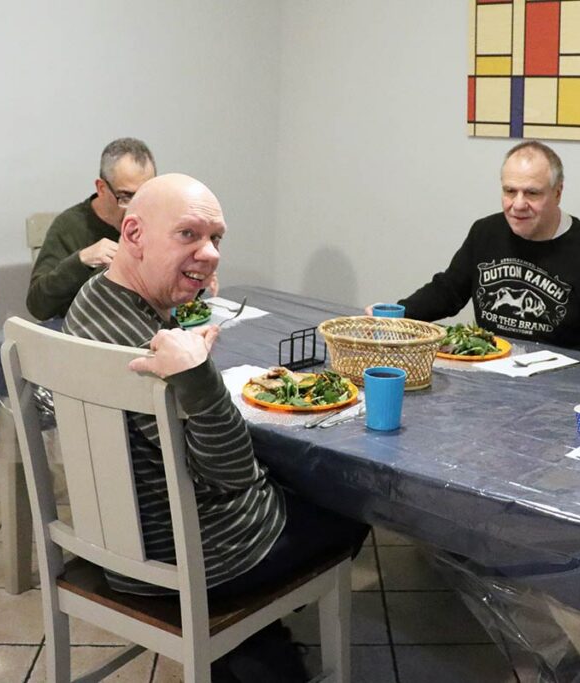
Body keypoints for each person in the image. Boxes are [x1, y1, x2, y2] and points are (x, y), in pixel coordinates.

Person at [63, 173, 367, 681]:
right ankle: (251, 631)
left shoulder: (93, 300)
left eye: (216, 239)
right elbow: (230, 474)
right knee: (351, 500)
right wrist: (198, 373)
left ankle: (251, 637)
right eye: (189, 235)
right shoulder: (145, 352)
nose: (211, 253)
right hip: (194, 559)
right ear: (133, 234)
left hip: (115, 545)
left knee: (287, 476)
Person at [394, 141, 580, 357]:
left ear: (557, 193)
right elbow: (448, 292)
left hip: (560, 385)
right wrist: (395, 315)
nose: (518, 204)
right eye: (510, 191)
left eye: (532, 193)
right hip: (489, 370)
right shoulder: (485, 233)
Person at [26, 137, 156, 321]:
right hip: (86, 335)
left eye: (144, 195)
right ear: (102, 188)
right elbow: (37, 305)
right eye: (125, 197)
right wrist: (82, 261)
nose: (136, 208)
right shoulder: (70, 226)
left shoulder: (156, 220)